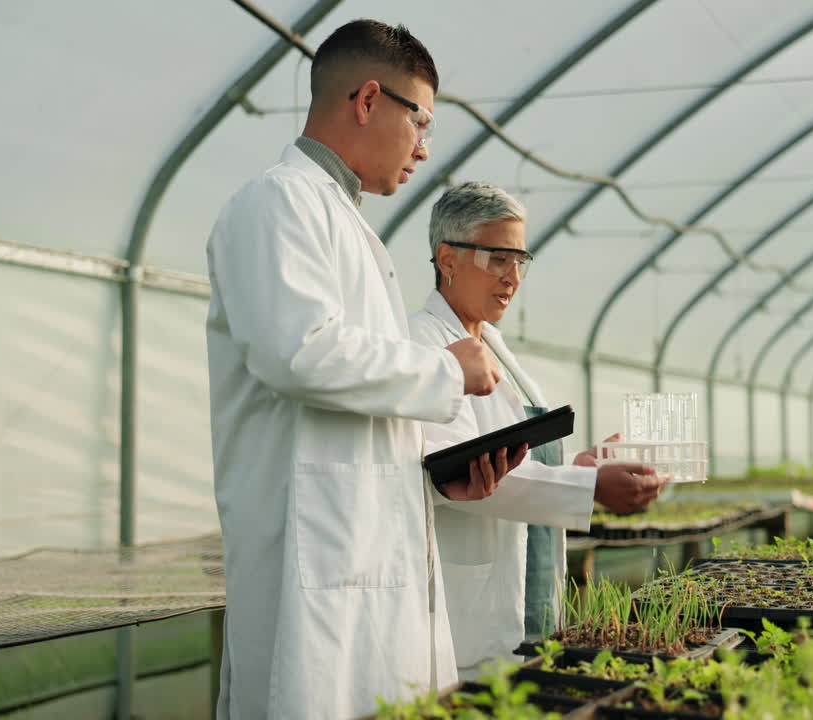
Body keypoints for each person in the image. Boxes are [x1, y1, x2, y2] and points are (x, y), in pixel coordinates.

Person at [205, 21, 523, 719]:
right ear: (369, 99)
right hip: (314, 563)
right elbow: (296, 352)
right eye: (421, 121)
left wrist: (434, 476)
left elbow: (364, 403)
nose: (424, 148)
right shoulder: (276, 203)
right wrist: (444, 372)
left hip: (363, 556)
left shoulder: (347, 223)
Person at [409, 182, 667, 679]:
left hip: (532, 588)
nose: (512, 278)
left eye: (520, 261)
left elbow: (515, 457)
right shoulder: (422, 348)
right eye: (498, 259)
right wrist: (589, 488)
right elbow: (458, 473)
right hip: (472, 612)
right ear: (448, 259)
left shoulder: (495, 346)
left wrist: (577, 466)